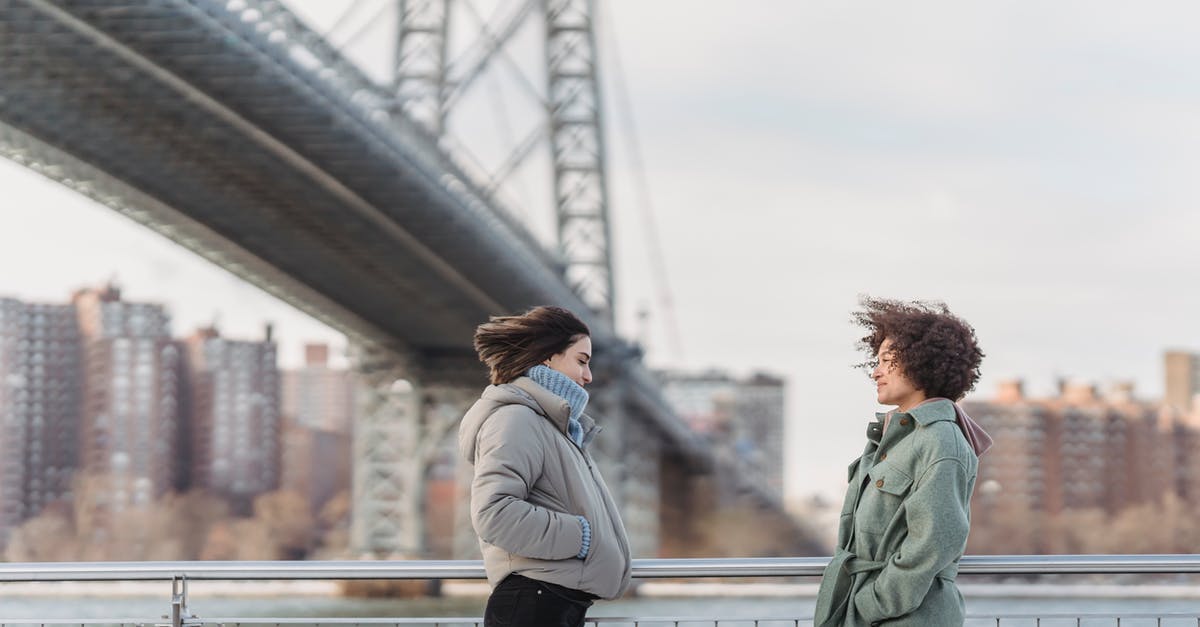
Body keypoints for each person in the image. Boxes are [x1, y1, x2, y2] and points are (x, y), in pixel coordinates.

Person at [814, 297, 993, 627]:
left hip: (904, 618)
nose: (875, 371)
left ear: (921, 362)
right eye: (876, 360)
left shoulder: (940, 440)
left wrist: (873, 603)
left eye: (887, 361)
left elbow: (934, 541)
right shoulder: (892, 438)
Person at [458, 305, 632, 627]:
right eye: (581, 361)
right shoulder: (517, 419)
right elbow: (493, 512)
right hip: (532, 605)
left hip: (550, 604)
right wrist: (579, 537)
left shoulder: (555, 426)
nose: (589, 376)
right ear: (547, 358)